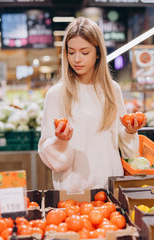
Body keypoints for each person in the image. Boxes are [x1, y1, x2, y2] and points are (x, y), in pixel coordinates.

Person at [38, 17, 146, 193]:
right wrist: (60, 141)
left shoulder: (112, 90)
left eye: (85, 52)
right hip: (72, 191)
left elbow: (127, 150)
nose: (77, 59)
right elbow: (45, 149)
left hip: (110, 187)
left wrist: (130, 131)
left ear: (98, 53)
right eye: (71, 52)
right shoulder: (57, 94)